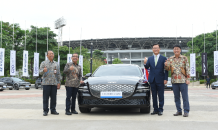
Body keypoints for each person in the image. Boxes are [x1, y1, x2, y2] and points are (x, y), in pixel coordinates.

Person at [164, 44, 190, 117]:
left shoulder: (184, 58)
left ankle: (186, 111)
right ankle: (179, 111)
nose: (176, 50)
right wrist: (166, 65)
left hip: (183, 81)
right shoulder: (170, 59)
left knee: (185, 97)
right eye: (175, 49)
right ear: (173, 50)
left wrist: (188, 79)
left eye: (177, 49)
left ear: (180, 50)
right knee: (176, 97)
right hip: (174, 81)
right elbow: (167, 69)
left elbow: (187, 68)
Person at [144, 43, 168, 116]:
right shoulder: (150, 58)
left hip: (161, 79)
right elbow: (147, 67)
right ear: (152, 49)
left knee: (161, 95)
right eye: (154, 48)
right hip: (152, 80)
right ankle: (155, 109)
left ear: (159, 49)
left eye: (157, 48)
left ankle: (160, 109)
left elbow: (166, 69)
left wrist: (165, 78)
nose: (155, 49)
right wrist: (145, 63)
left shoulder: (164, 58)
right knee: (154, 95)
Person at [39, 50, 61, 116]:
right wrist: (43, 70)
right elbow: (40, 72)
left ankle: (53, 110)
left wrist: (59, 82)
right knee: (46, 98)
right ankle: (45, 110)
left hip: (54, 83)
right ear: (47, 55)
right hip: (46, 83)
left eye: (52, 53)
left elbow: (58, 74)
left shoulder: (56, 64)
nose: (51, 55)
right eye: (50, 54)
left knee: (54, 98)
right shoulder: (43, 63)